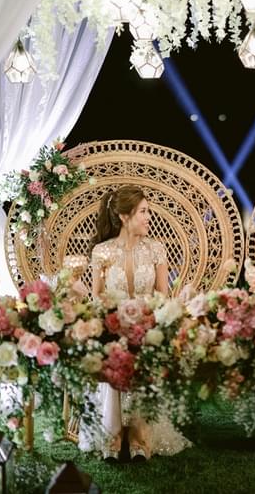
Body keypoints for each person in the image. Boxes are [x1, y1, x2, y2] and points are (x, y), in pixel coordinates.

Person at [85, 185, 191, 462]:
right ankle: (114, 434)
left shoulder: (157, 249)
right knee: (112, 348)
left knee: (142, 346)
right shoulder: (101, 252)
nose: (148, 217)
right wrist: (112, 319)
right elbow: (96, 296)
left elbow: (161, 296)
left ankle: (138, 435)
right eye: (143, 212)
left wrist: (146, 321)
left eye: (148, 212)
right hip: (112, 326)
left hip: (146, 327)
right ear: (124, 216)